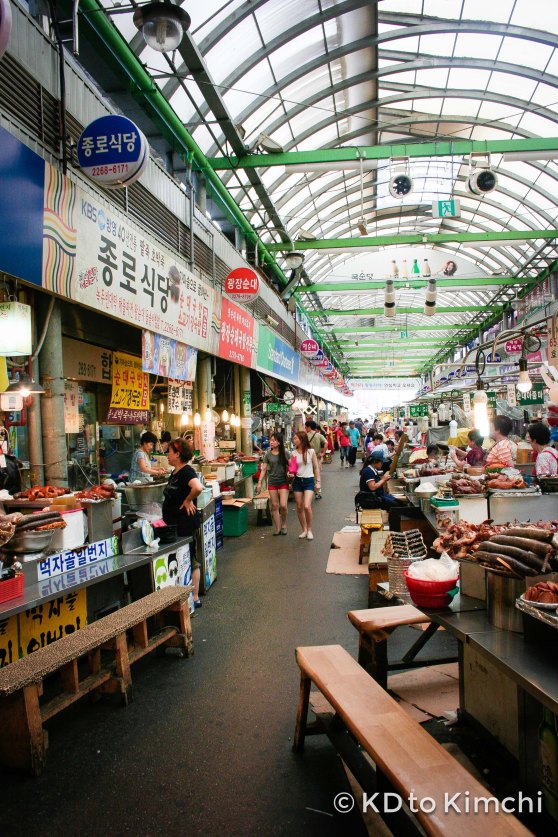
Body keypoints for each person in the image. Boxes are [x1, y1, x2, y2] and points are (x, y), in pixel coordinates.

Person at [163, 438, 204, 608]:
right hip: (175, 522)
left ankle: (194, 597)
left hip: (185, 523)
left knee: (190, 558)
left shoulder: (186, 471)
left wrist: (188, 500)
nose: (167, 454)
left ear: (177, 454)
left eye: (169, 451)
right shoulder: (175, 472)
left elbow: (198, 487)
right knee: (182, 557)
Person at [257, 431, 289, 535]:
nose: (271, 442)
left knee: (283, 505)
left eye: (273, 440)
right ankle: (278, 528)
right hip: (272, 483)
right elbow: (263, 469)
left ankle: (284, 525)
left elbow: (293, 465)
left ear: (279, 442)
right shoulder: (268, 455)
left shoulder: (286, 453)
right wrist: (259, 482)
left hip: (283, 482)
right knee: (275, 505)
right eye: (270, 440)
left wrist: (291, 472)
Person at [291, 431, 321, 540]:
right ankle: (304, 529)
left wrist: (318, 482)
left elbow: (316, 467)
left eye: (295, 438)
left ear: (301, 439)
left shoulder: (311, 452)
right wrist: (290, 472)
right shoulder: (293, 453)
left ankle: (309, 529)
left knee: (307, 506)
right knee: (299, 507)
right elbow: (292, 468)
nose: (294, 440)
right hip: (298, 481)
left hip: (309, 480)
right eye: (294, 439)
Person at [304, 420, 327, 498]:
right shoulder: (319, 435)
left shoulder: (305, 435)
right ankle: (318, 492)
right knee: (316, 473)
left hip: (306, 457)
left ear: (309, 427)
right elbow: (326, 443)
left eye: (306, 427)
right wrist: (323, 453)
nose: (305, 428)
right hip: (316, 456)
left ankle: (307, 490)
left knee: (307, 474)